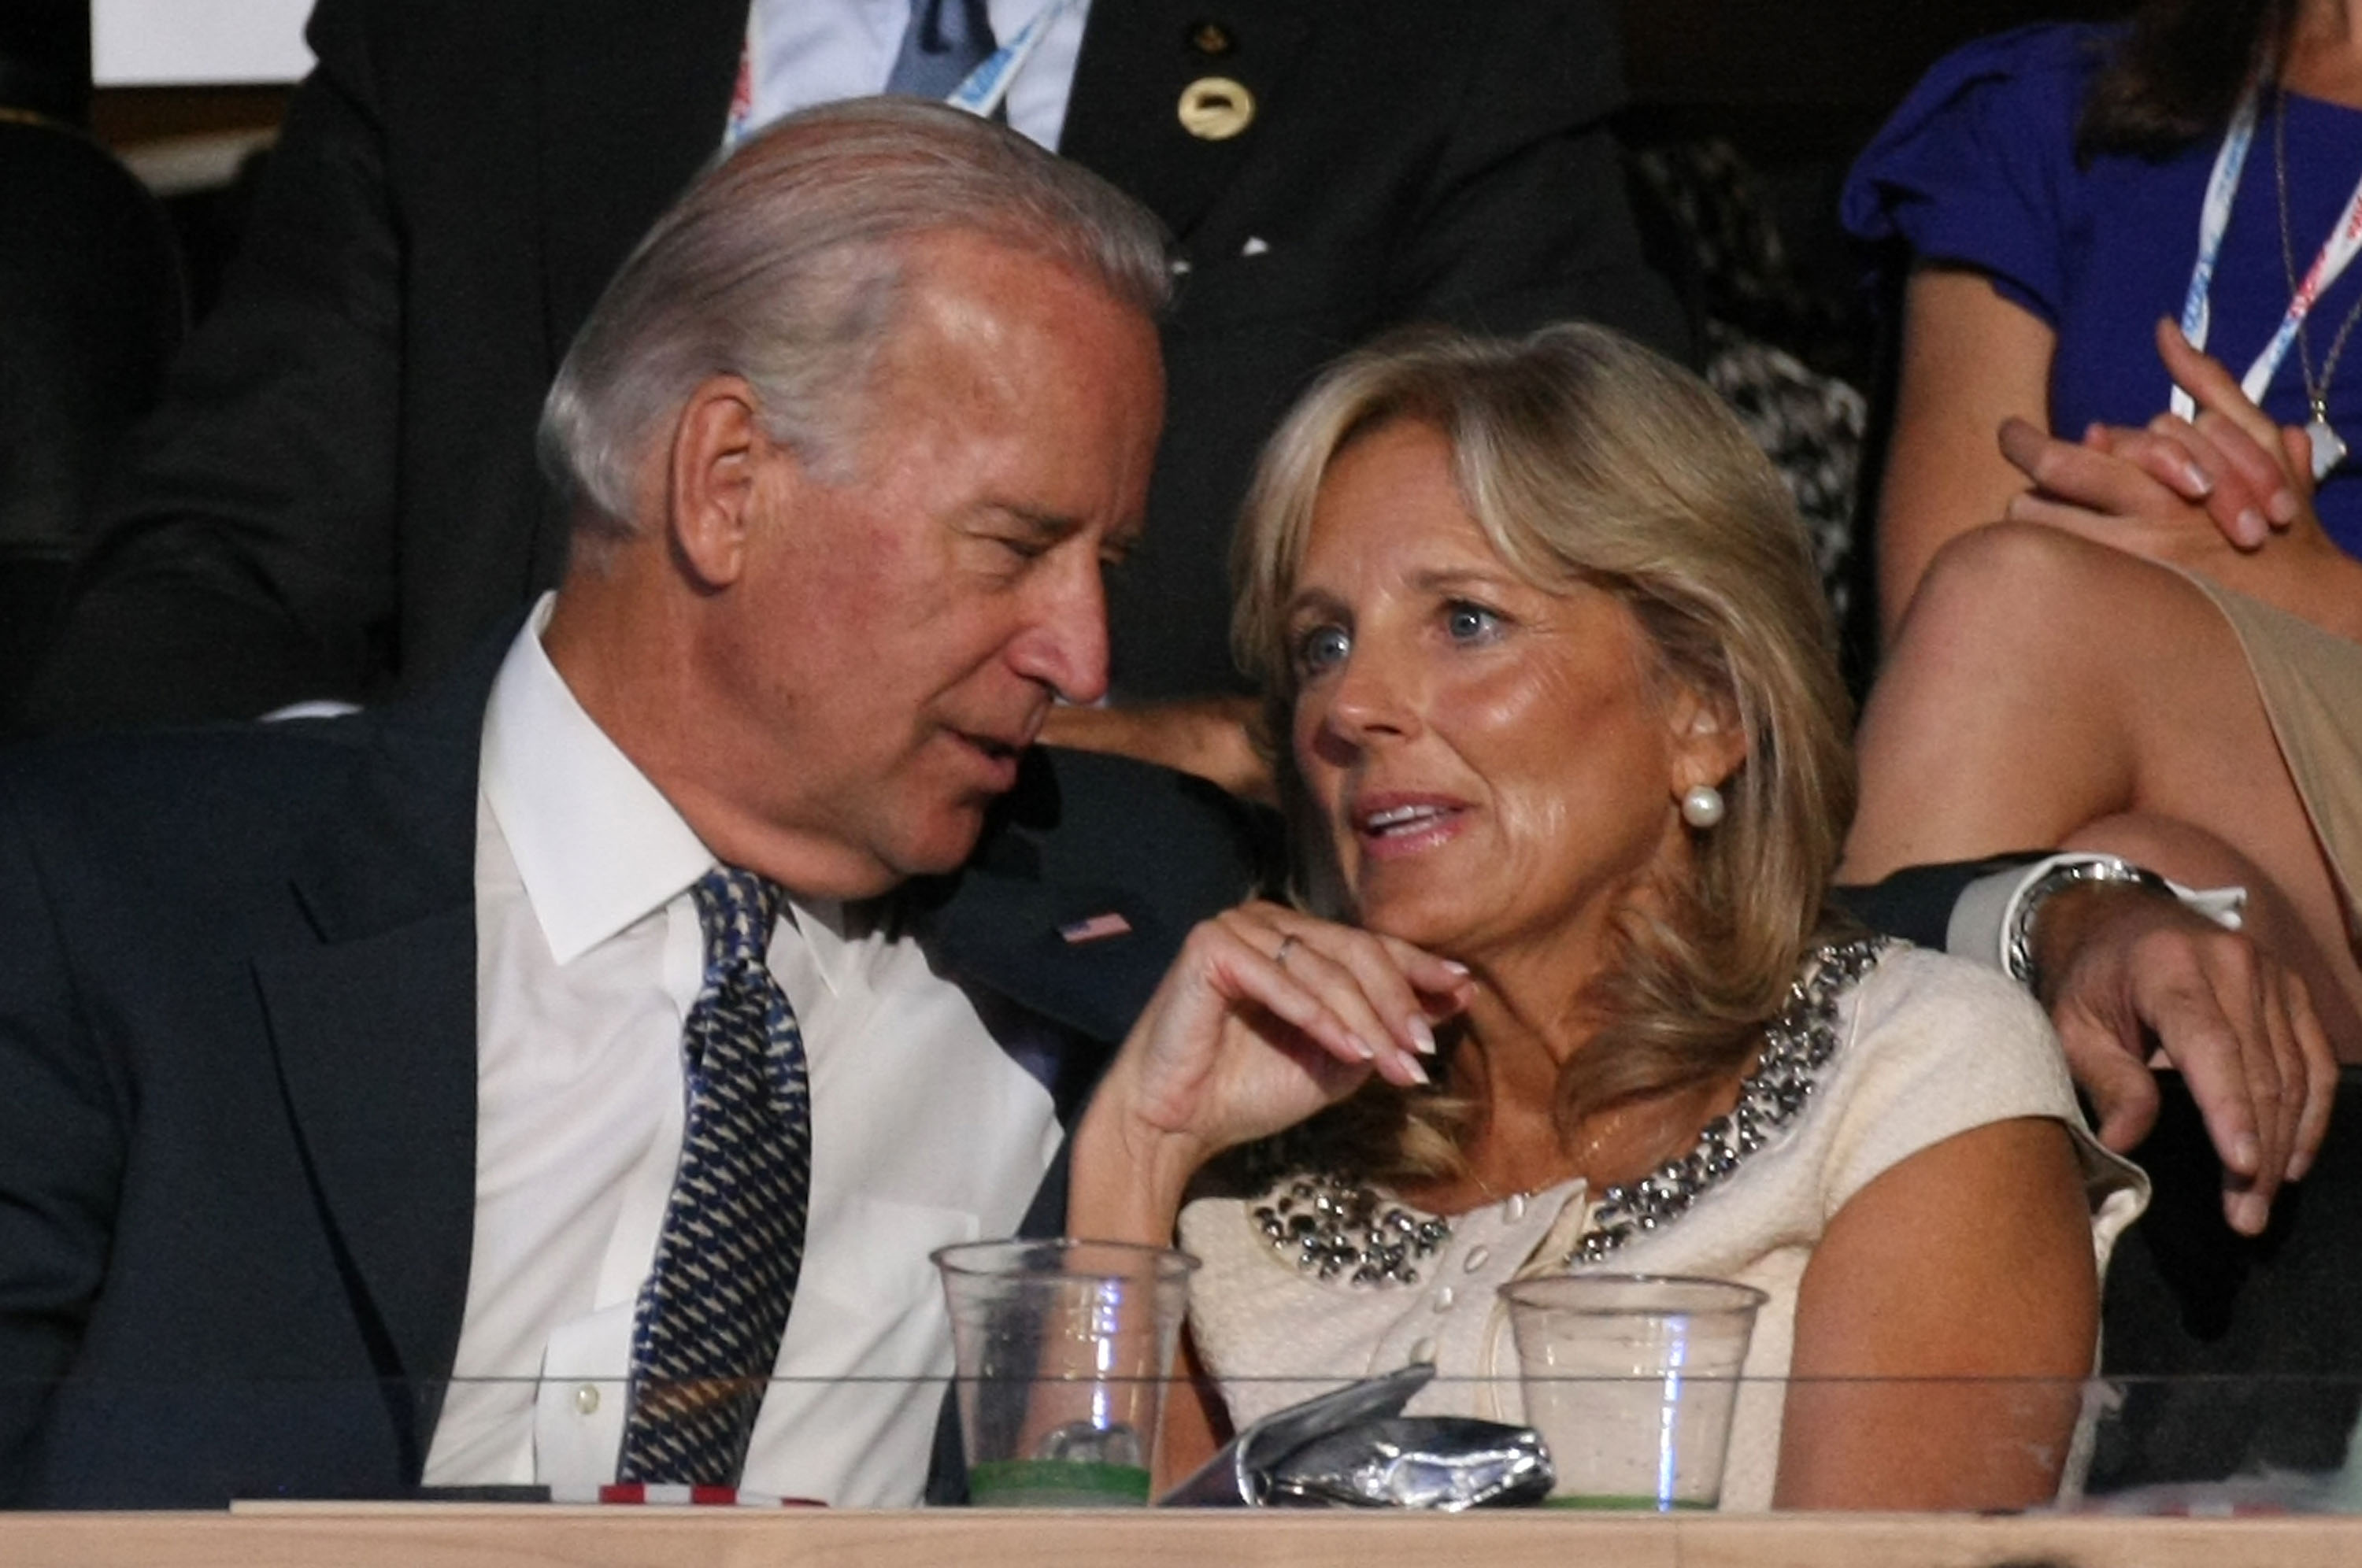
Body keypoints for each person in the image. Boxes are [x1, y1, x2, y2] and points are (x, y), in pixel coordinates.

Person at [0, 99, 1275, 1511]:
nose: (1084, 658)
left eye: (1107, 565)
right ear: (727, 483)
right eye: (1016, 546)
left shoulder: (1154, 921)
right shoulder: (111, 900)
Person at [11, 0, 1689, 798]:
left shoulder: (1428, 58)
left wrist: (1066, 766)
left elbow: (1630, 612)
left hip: (1102, 1024)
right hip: (482, 1009)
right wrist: (453, 828)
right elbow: (192, 603)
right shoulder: (478, 42)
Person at [1066, 324, 2147, 1511]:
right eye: (1321, 645)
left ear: (1705, 707)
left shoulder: (1909, 1076)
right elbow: (1083, 1548)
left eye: (1466, 621)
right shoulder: (1238, 1186)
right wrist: (1140, 1149)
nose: (1353, 706)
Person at [1838, 2, 2362, 1113]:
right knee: (2139, 889)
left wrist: (2297, 589)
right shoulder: (2055, 105)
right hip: (2211, 824)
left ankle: (1754, 1217)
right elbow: (1936, 620)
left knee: (2017, 608)